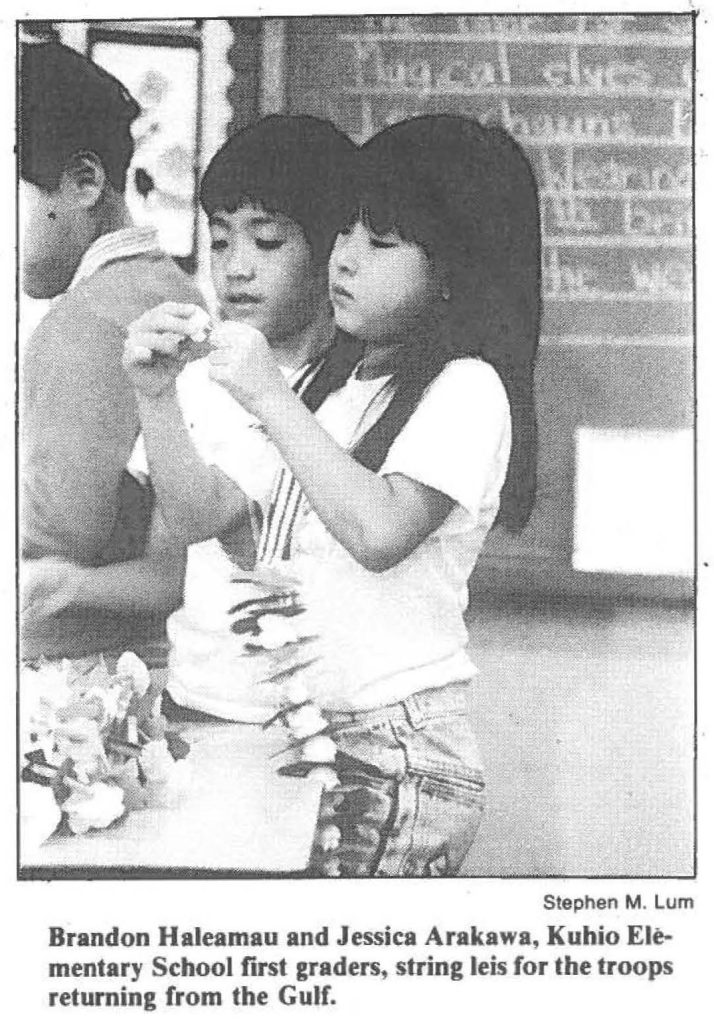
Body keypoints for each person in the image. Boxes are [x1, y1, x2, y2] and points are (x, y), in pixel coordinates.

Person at [125, 114, 541, 875]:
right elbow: (236, 531)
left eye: (380, 243)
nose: (345, 259)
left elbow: (379, 533)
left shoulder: (469, 388)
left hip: (391, 752)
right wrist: (156, 398)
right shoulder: (339, 388)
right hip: (309, 736)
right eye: (346, 231)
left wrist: (269, 399)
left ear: (454, 270)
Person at [40, 115, 358, 720]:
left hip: (307, 725)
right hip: (194, 703)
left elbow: (203, 513)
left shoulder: (353, 392)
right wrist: (57, 586)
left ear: (333, 250)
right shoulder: (198, 379)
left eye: (266, 242)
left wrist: (153, 398)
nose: (235, 267)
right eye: (219, 240)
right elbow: (170, 573)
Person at [20, 41, 205, 663]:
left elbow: (52, 541)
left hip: (76, 674)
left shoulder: (85, 322)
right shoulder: (171, 288)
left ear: (84, 183)